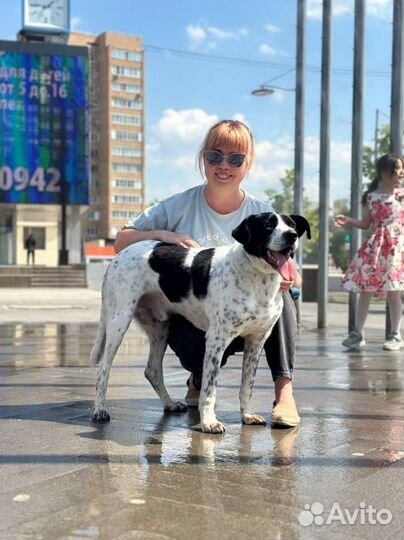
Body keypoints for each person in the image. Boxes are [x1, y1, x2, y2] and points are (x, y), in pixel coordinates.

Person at [115, 119, 302, 427]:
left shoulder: (263, 214)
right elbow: (121, 241)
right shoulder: (181, 204)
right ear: (203, 158)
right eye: (214, 156)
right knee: (198, 346)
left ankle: (285, 394)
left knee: (284, 303)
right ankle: (198, 379)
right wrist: (167, 235)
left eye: (235, 158)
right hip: (193, 317)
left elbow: (293, 272)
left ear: (248, 162)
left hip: (250, 315)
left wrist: (287, 278)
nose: (223, 166)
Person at [335, 153, 404, 351]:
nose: (401, 173)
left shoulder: (401, 195)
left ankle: (395, 334)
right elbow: (366, 223)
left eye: (401, 169)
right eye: (397, 169)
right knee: (366, 289)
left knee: (394, 290)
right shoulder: (371, 197)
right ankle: (357, 334)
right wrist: (348, 221)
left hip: (396, 248)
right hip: (376, 248)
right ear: (384, 172)